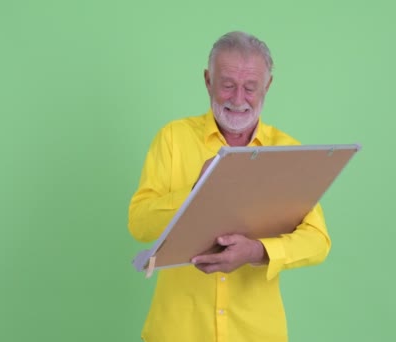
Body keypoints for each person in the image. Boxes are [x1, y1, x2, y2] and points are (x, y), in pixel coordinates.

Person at [128, 31, 331, 342]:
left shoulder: (286, 150)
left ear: (268, 86)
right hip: (178, 332)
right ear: (208, 80)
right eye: (227, 85)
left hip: (257, 333)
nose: (238, 100)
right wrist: (197, 191)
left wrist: (259, 251)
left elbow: (317, 241)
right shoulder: (172, 138)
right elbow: (139, 223)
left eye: (250, 88)